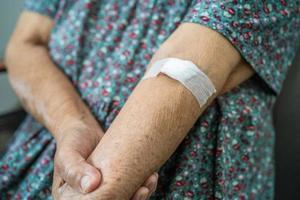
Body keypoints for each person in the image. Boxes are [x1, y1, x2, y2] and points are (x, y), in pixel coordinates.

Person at [1, 0, 299, 199]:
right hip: (41, 152)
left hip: (187, 177)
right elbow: (25, 43)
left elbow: (185, 70)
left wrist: (99, 181)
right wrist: (71, 124)